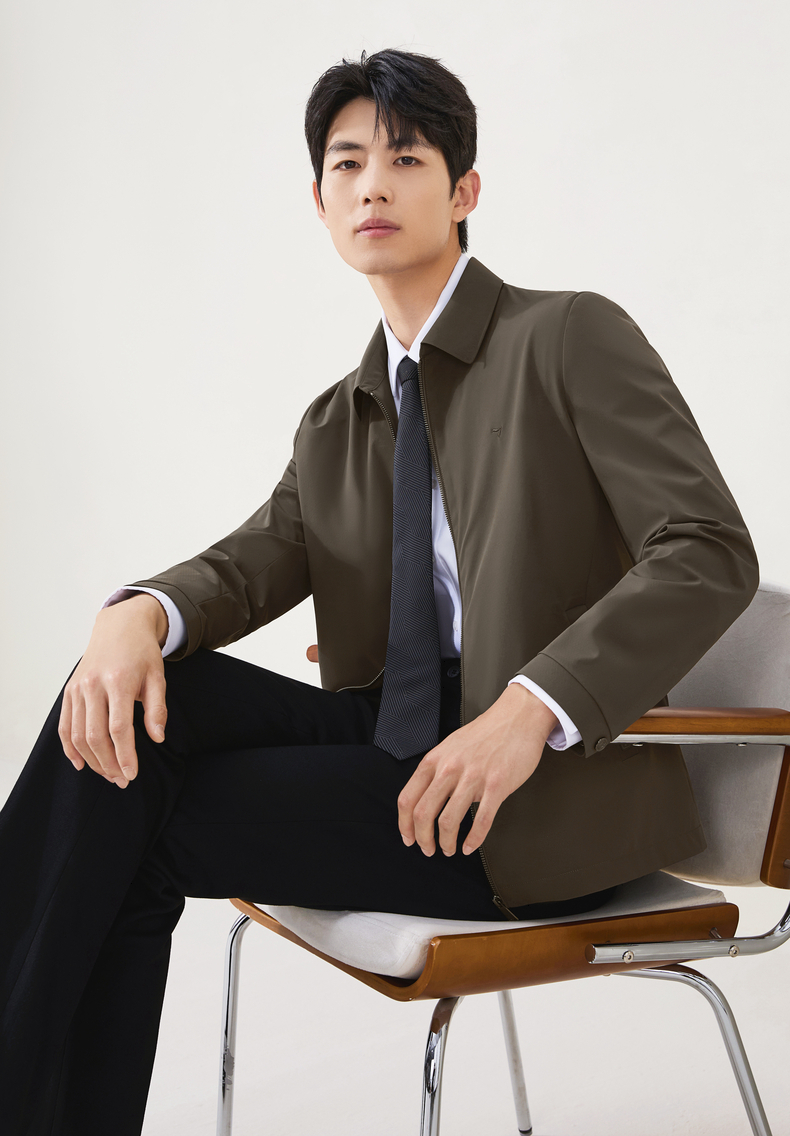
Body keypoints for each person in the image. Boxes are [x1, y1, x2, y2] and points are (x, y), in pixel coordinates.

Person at [0, 47, 758, 1135]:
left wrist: (529, 709)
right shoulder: (340, 415)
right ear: (318, 201)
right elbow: (251, 560)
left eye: (405, 159)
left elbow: (705, 548)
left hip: (531, 794)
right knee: (132, 704)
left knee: (120, 822)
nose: (372, 186)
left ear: (464, 190)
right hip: (395, 740)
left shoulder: (565, 337)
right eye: (347, 163)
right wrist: (135, 615)